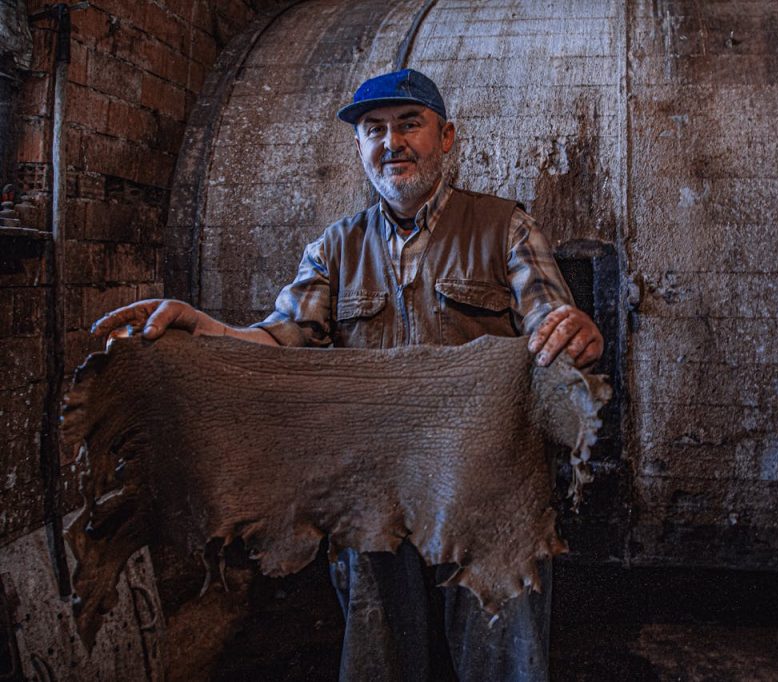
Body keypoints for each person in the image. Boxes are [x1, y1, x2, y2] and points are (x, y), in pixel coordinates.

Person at [92, 68, 602, 681]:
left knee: (503, 656)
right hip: (370, 499)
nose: (392, 142)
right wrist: (203, 330)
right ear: (359, 147)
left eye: (409, 124)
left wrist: (576, 333)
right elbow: (280, 343)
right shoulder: (333, 249)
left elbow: (552, 326)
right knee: (379, 655)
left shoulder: (506, 227)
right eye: (373, 130)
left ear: (446, 137)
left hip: (484, 493)